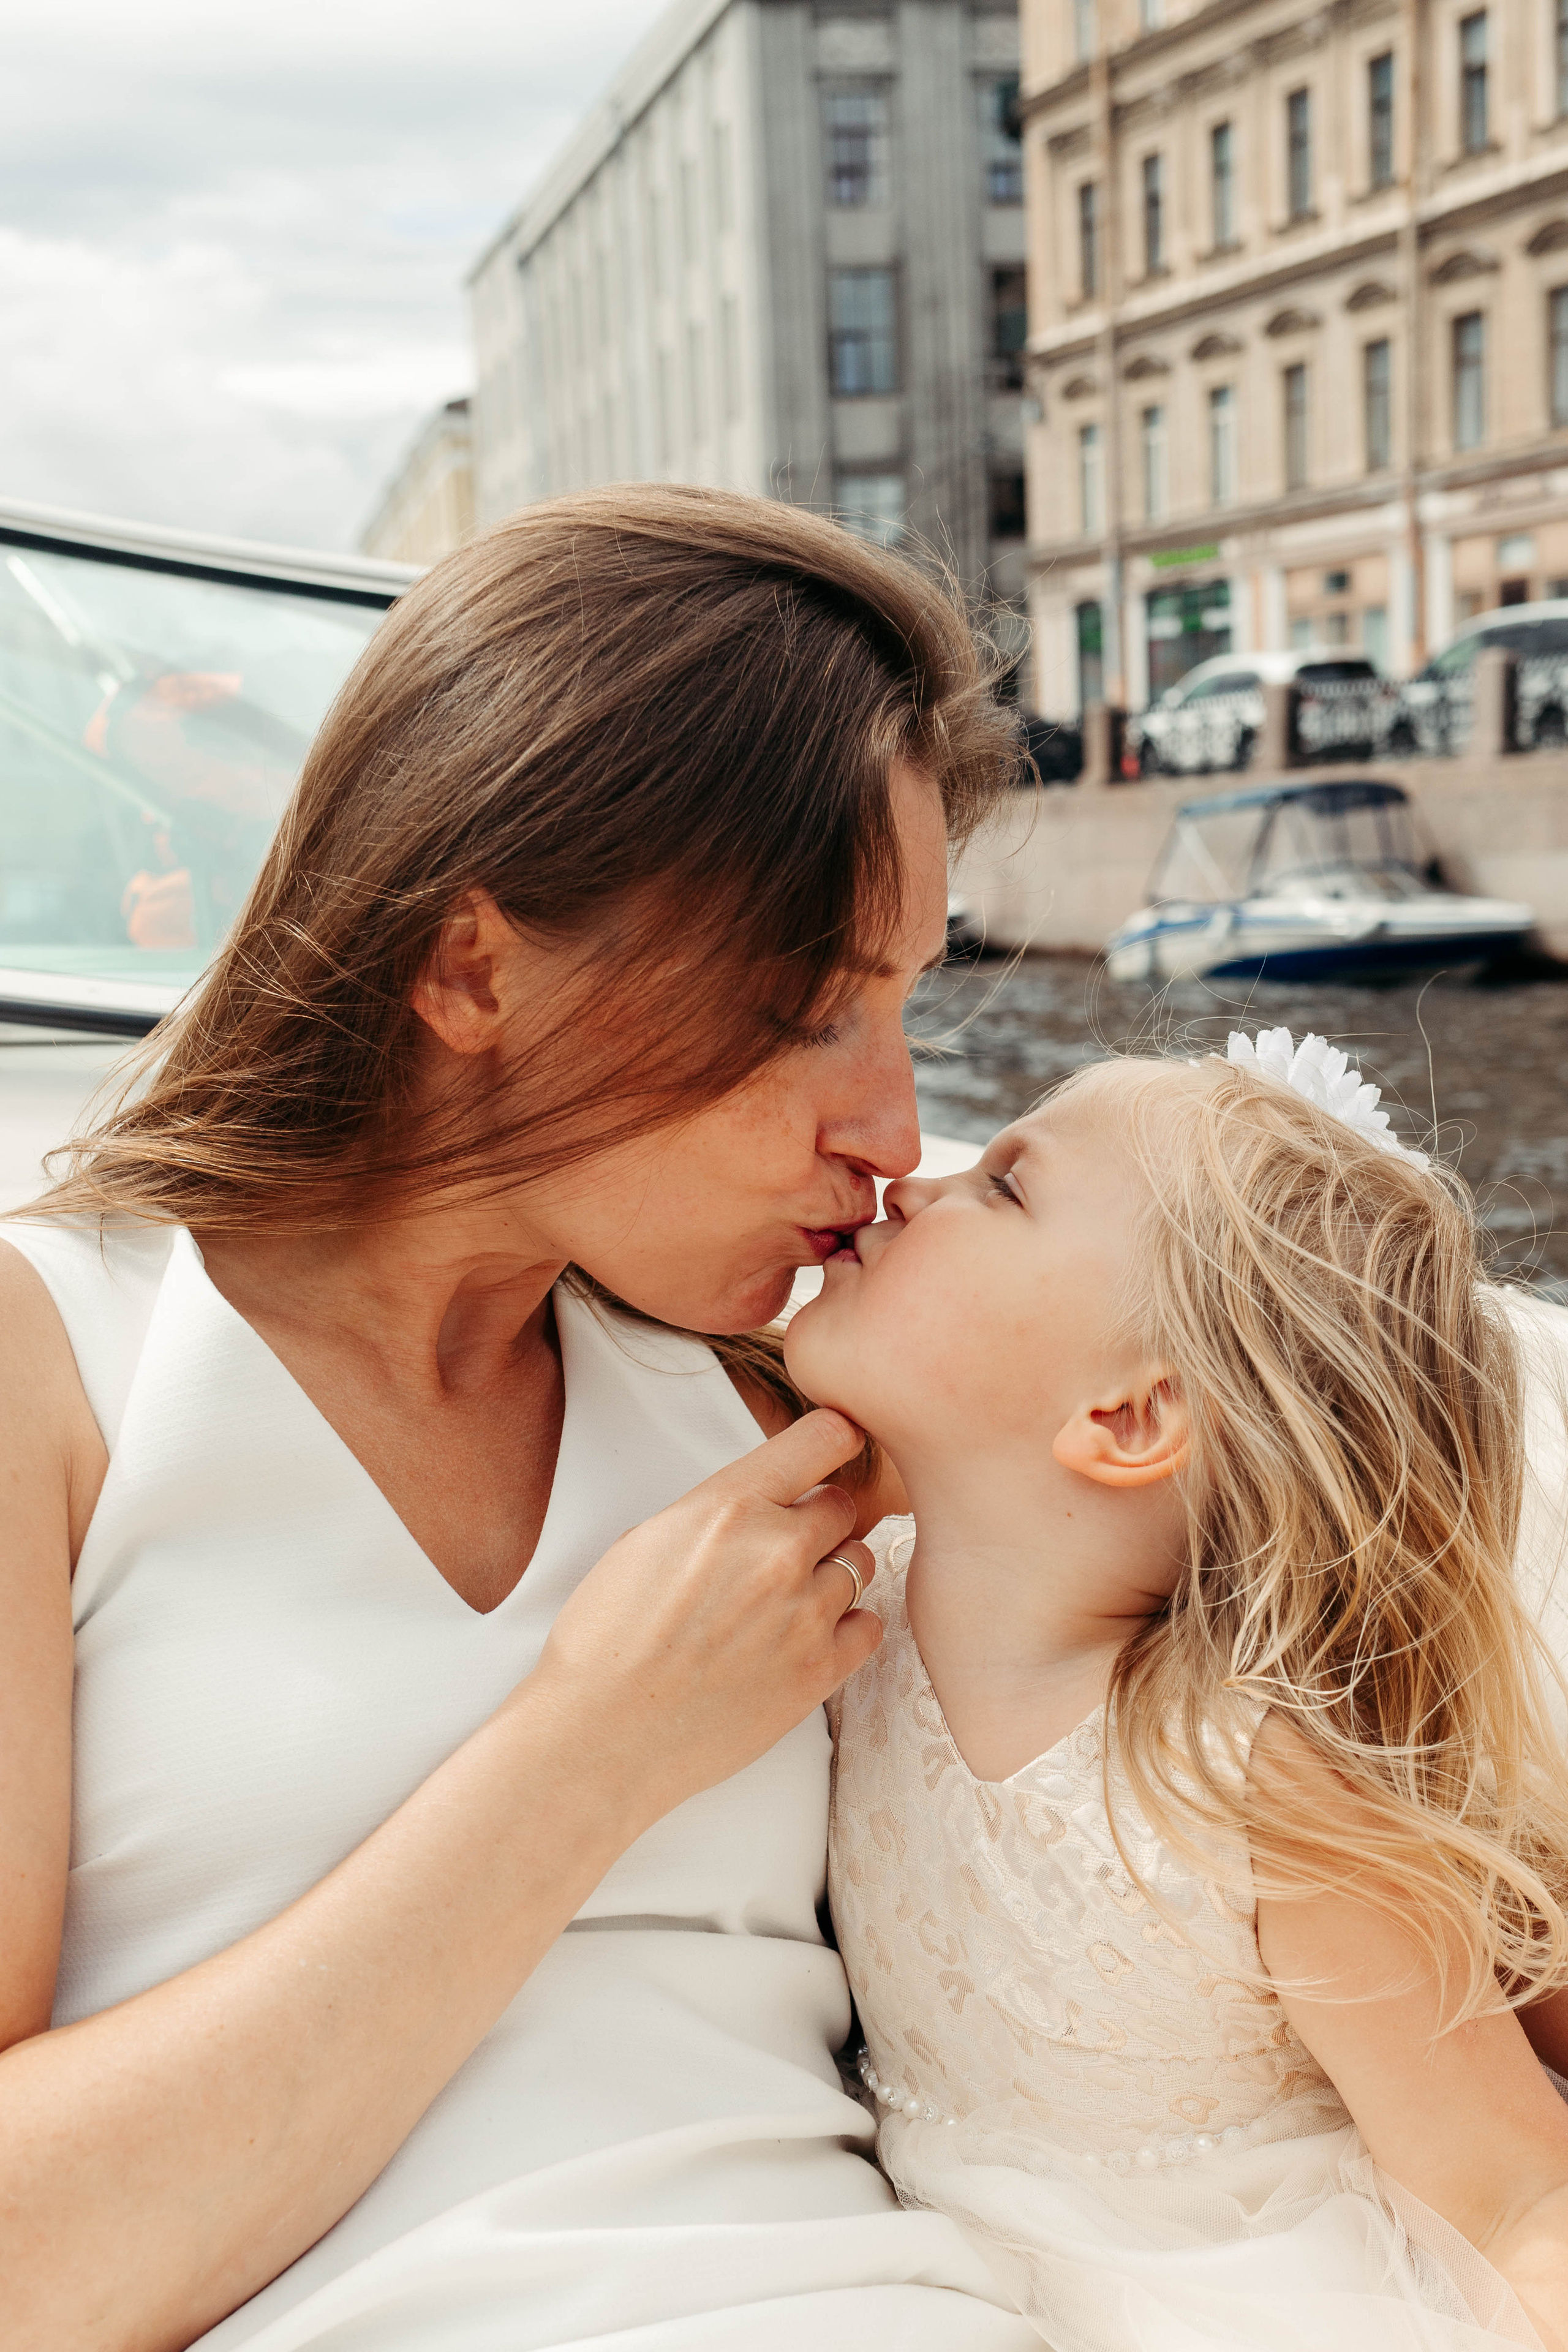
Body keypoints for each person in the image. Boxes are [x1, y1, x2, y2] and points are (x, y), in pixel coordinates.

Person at [0, 486, 1045, 2352]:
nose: (893, 1133)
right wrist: (591, 1750)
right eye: (811, 1010)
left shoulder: (797, 1381)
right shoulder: (56, 1365)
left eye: (906, 1011)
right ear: (473, 964)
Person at [786, 1028, 1568, 2349]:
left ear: (1127, 1418)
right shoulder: (844, 1606)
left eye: (1006, 1186)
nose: (917, 1182)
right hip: (926, 2278)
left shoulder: (1248, 1783)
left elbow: (1507, 2197)